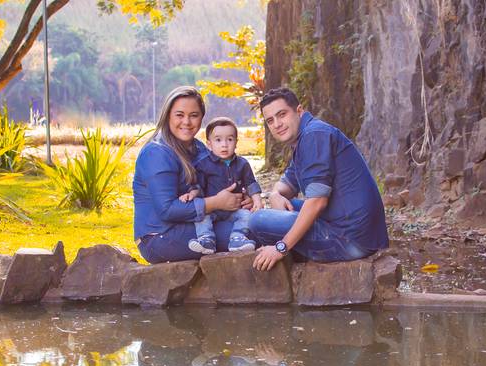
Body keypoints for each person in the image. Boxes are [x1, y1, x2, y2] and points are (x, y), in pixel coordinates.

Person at [249, 87, 389, 271]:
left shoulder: (314, 136)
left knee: (257, 220)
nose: (277, 124)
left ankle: (284, 254)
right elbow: (287, 184)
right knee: (286, 206)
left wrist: (280, 248)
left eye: (282, 114)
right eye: (270, 120)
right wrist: (275, 194)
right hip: (348, 229)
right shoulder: (304, 137)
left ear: (299, 111)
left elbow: (317, 202)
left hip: (350, 240)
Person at [133, 86, 249, 263]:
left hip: (196, 224)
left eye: (194, 115)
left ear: (202, 117)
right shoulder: (156, 152)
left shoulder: (200, 148)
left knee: (252, 223)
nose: (186, 121)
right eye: (179, 115)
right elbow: (167, 210)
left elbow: (219, 183)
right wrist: (216, 202)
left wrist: (240, 199)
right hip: (159, 236)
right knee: (253, 232)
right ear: (168, 116)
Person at [179, 117, 262, 254]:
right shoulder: (203, 164)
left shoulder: (242, 164)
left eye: (230, 139)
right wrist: (192, 193)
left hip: (235, 209)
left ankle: (238, 238)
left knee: (247, 215)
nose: (224, 145)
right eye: (218, 140)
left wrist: (257, 200)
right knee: (201, 216)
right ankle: (206, 240)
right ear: (209, 144)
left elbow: (251, 183)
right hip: (212, 209)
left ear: (236, 142)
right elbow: (198, 185)